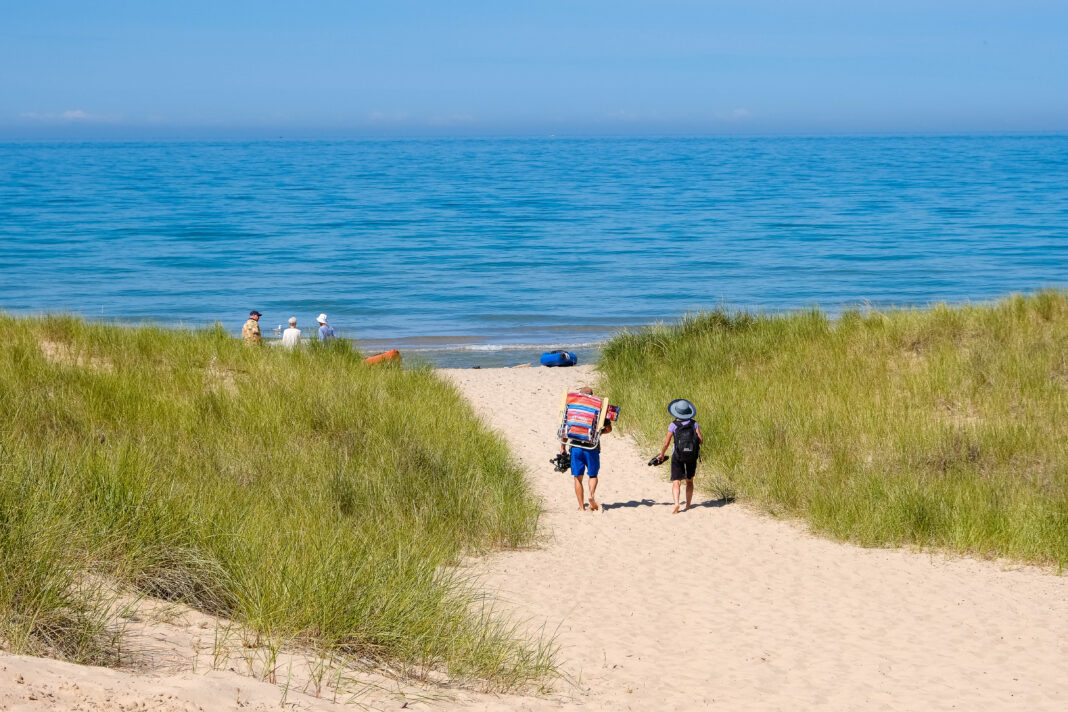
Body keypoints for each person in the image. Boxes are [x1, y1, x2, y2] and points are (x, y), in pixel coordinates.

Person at [559, 386, 612, 512]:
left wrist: (563, 447)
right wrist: (598, 433)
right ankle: (591, 496)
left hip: (576, 447)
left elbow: (565, 431)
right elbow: (609, 429)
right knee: (593, 475)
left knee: (578, 477)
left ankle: (581, 507)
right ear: (592, 395)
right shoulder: (598, 408)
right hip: (592, 447)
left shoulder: (573, 409)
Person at [653, 398, 703, 514]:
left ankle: (676, 504)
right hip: (691, 456)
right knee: (689, 481)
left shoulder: (673, 425)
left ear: (676, 412)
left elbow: (666, 442)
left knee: (676, 481)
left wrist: (662, 454)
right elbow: (700, 440)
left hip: (677, 455)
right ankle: (688, 504)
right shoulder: (694, 423)